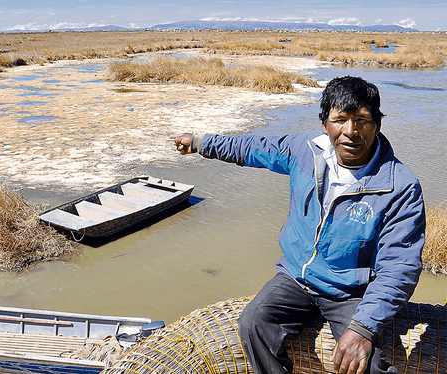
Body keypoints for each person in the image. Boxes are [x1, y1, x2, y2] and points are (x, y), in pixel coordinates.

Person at [169, 76, 425, 374]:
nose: (350, 132)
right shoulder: (306, 151)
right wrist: (200, 142)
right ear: (324, 123)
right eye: (339, 120)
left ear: (377, 124)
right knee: (252, 322)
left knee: (367, 366)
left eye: (362, 120)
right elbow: (253, 148)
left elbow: (400, 267)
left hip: (350, 292)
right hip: (296, 278)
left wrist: (363, 328)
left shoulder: (400, 186)